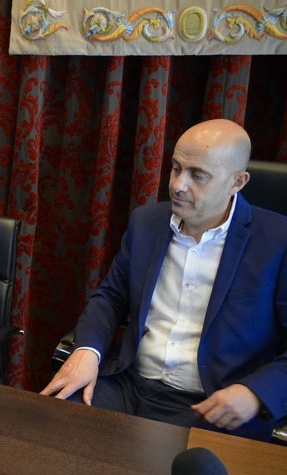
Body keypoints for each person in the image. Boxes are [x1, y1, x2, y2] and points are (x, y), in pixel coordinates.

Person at [41, 119, 287, 441]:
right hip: (129, 386)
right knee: (49, 431)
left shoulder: (277, 241)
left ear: (236, 182)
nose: (178, 185)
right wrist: (87, 351)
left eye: (197, 175)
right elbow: (110, 297)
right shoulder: (146, 222)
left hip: (211, 407)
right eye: (175, 168)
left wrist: (254, 392)